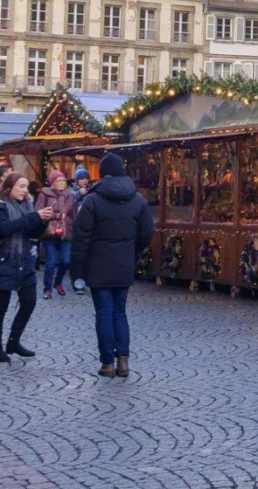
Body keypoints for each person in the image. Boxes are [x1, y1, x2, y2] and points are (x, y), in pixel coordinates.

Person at [69, 152, 153, 378]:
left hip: (98, 263)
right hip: (124, 262)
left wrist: (77, 269)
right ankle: (123, 362)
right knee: (120, 311)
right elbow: (147, 232)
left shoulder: (93, 200)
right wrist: (132, 251)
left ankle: (107, 362)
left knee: (104, 312)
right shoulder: (138, 200)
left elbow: (80, 237)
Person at [0, 172, 51, 362]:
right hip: (3, 260)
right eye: (21, 186)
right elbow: (3, 229)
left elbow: (31, 233)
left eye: (26, 187)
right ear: (9, 187)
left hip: (25, 260)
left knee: (29, 301)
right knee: (0, 307)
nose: (24, 190)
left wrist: (42, 222)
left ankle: (14, 341)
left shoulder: (27, 205)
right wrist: (34, 217)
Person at [35, 171, 76, 299]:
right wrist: (57, 216)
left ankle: (57, 282)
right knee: (51, 262)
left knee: (65, 261)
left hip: (66, 232)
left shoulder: (70, 195)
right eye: (58, 180)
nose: (61, 183)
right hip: (49, 233)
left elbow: (73, 214)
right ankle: (47, 289)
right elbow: (38, 212)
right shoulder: (44, 194)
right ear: (52, 183)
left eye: (63, 180)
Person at [68, 167, 92, 294]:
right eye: (81, 178)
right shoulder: (72, 192)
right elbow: (68, 206)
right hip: (75, 228)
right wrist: (78, 195)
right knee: (77, 256)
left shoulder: (91, 191)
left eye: (86, 178)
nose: (84, 181)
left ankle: (87, 280)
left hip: (89, 228)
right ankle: (78, 282)